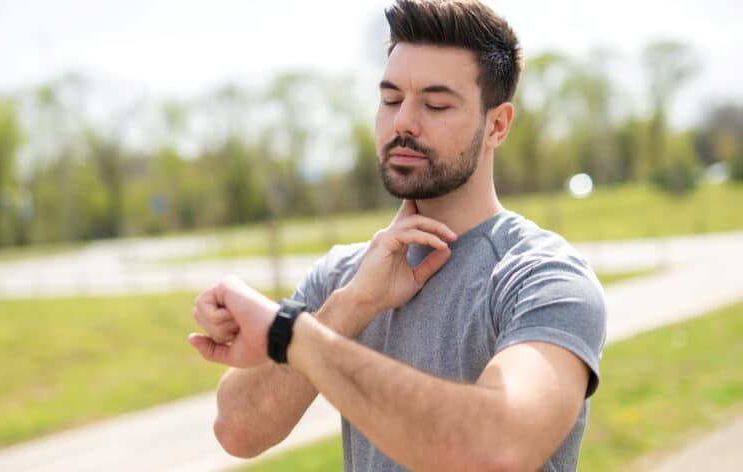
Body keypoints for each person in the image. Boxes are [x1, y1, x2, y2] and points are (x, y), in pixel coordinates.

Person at [188, 1, 607, 470]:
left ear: (497, 125)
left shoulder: (541, 275)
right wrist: (351, 307)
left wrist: (294, 336)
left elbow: (495, 448)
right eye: (390, 99)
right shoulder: (345, 277)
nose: (403, 121)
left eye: (436, 104)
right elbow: (237, 429)